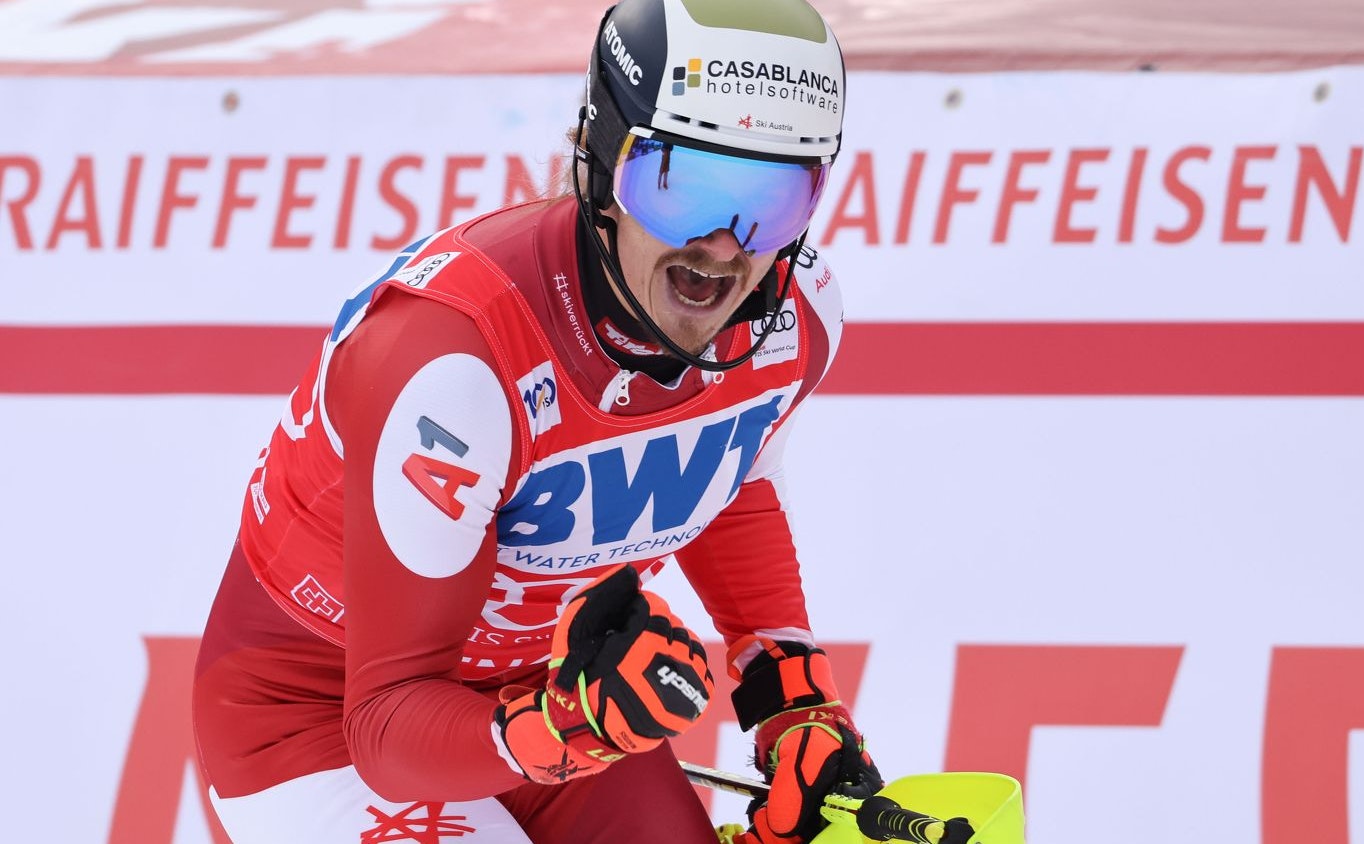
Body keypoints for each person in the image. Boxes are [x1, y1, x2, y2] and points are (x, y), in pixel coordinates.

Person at [192, 0, 880, 841]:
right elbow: (386, 731)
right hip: (321, 717)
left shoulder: (797, 316)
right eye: (685, 189)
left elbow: (726, 478)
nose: (724, 248)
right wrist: (568, 727)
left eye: (772, 201)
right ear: (601, 164)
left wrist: (793, 697)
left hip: (550, 690)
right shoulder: (457, 361)